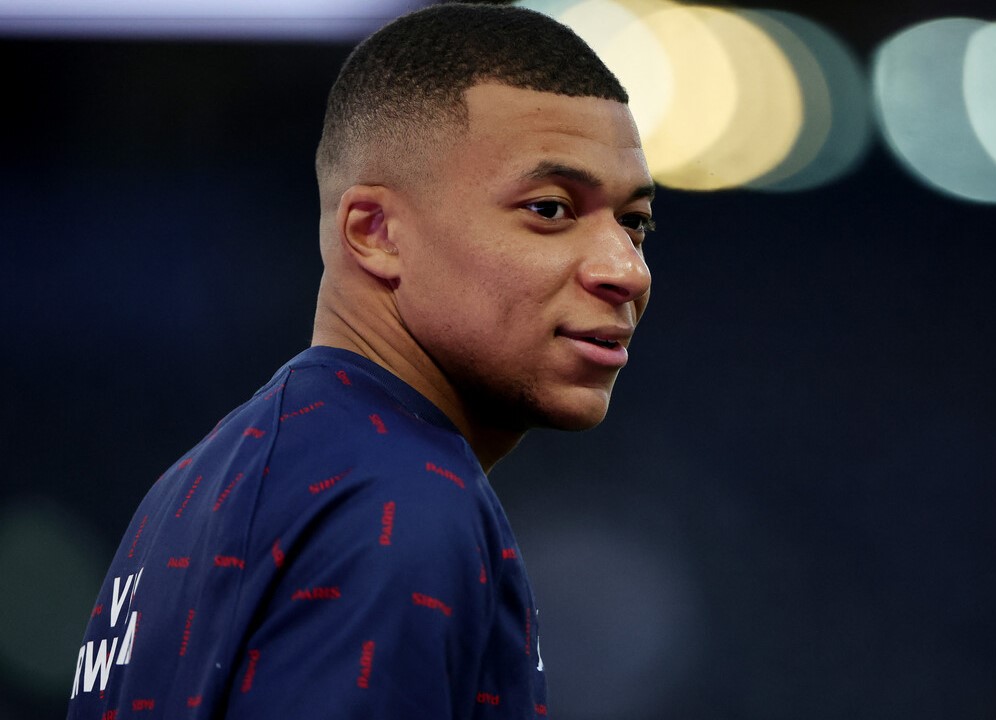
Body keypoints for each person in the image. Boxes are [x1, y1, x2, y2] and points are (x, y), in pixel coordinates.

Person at [66, 4, 654, 718]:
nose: (627, 270)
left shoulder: (192, 490)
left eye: (634, 223)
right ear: (375, 232)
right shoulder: (402, 501)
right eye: (551, 209)